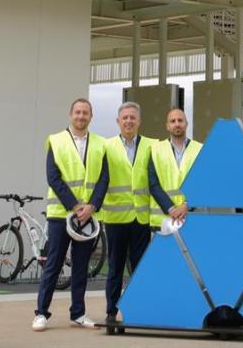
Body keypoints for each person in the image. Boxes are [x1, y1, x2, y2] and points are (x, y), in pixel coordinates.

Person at [34, 97, 108, 331]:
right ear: (70, 114)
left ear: (91, 117)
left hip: (87, 216)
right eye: (77, 112)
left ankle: (78, 313)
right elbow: (53, 177)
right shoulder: (56, 141)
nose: (81, 116)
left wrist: (92, 206)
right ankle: (41, 313)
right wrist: (76, 206)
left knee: (81, 266)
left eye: (85, 113)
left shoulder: (100, 143)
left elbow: (104, 179)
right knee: (53, 264)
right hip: (61, 214)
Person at [101, 102, 155, 325]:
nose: (129, 121)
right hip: (115, 219)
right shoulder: (107, 146)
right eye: (125, 118)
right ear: (118, 121)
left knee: (140, 269)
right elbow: (101, 180)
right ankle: (112, 311)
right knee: (115, 268)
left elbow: (156, 181)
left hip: (141, 218)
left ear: (139, 121)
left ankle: (139, 310)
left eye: (133, 117)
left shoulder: (151, 146)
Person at [148, 107, 199, 229]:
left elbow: (203, 183)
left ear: (186, 124)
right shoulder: (156, 150)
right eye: (173, 121)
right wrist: (171, 208)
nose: (177, 124)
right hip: (163, 220)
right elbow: (153, 184)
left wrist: (187, 205)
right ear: (167, 126)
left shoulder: (200, 149)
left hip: (191, 216)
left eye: (180, 120)